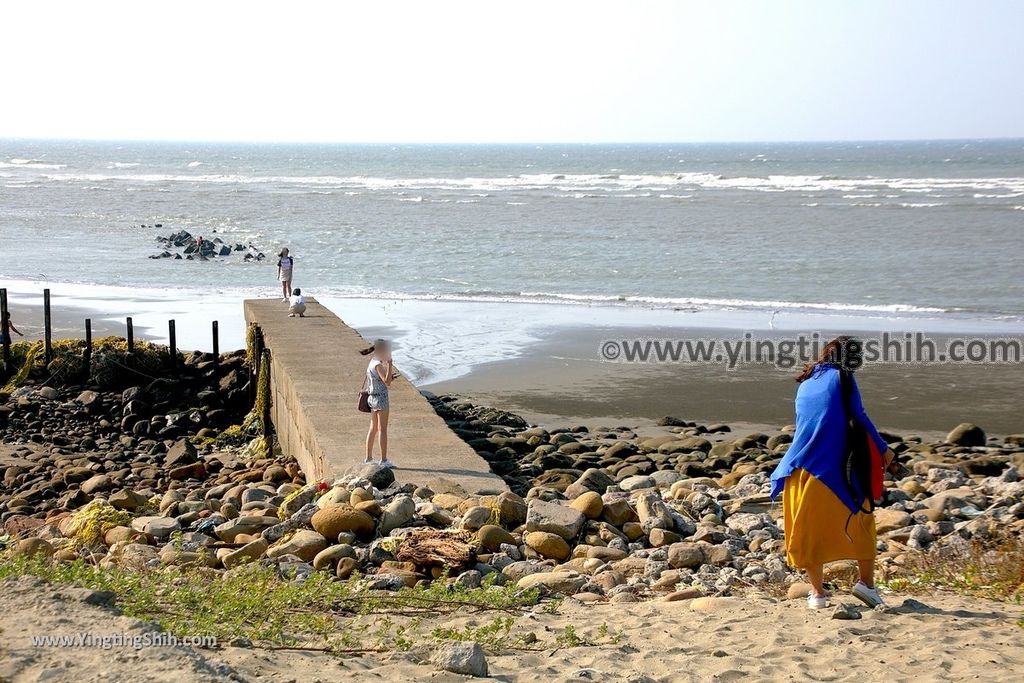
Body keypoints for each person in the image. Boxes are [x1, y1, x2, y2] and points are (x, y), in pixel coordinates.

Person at [770, 336, 898, 610]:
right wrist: (885, 451)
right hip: (832, 470)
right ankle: (867, 586)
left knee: (809, 533)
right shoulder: (843, 378)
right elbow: (860, 416)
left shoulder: (806, 382)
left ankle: (817, 594)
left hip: (797, 470)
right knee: (862, 522)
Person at [360, 339, 398, 468]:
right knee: (383, 429)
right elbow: (387, 382)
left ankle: (368, 458)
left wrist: (388, 376)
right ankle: (384, 460)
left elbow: (380, 379)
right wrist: (390, 364)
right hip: (381, 399)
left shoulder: (372, 363)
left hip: (372, 398)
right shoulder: (379, 365)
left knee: (373, 428)